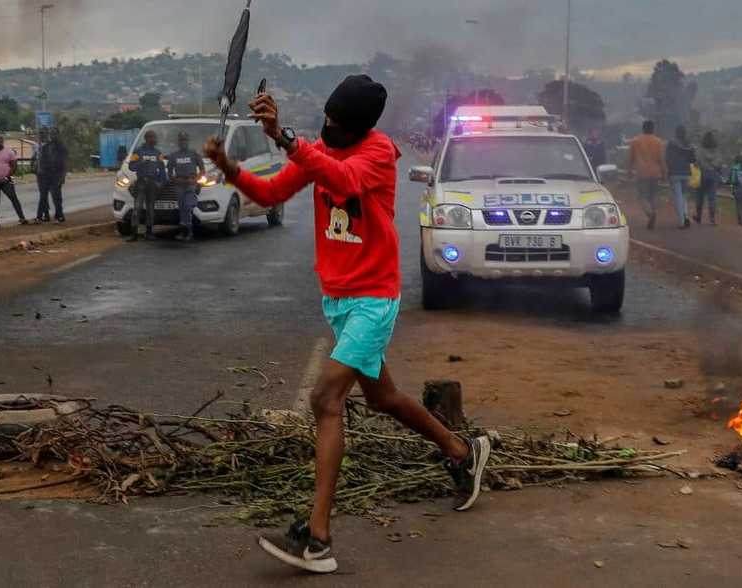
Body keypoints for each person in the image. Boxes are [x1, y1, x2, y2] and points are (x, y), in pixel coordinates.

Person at [203, 75, 491, 574]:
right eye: (326, 118)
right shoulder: (320, 150)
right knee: (383, 398)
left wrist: (285, 138)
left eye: (336, 122)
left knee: (325, 399)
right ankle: (462, 451)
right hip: (338, 300)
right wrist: (230, 168)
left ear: (358, 126)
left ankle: (317, 539)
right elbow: (270, 194)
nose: (328, 127)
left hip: (373, 300)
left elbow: (345, 181)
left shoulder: (377, 154)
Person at [126, 130, 166, 241]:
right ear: (147, 138)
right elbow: (131, 167)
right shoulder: (138, 151)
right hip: (141, 183)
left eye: (155, 137)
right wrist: (141, 163)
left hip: (152, 183)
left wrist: (161, 183)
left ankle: (149, 233)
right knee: (137, 208)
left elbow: (162, 170)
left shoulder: (158, 153)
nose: (154, 140)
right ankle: (134, 234)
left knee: (150, 209)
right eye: (152, 137)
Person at [166, 131, 205, 243]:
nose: (183, 142)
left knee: (188, 206)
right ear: (178, 142)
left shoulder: (193, 153)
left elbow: (202, 170)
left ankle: (188, 230)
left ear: (188, 141)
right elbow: (169, 172)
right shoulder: (174, 155)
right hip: (179, 184)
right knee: (182, 208)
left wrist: (195, 179)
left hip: (191, 183)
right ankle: (185, 231)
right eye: (181, 140)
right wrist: (175, 180)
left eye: (185, 140)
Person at [627, 120, 665, 230]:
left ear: (643, 128)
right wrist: (664, 173)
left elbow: (631, 158)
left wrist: (629, 171)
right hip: (655, 173)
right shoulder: (658, 142)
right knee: (651, 197)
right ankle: (652, 214)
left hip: (642, 173)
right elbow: (661, 159)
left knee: (642, 197)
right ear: (653, 129)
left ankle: (650, 213)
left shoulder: (635, 141)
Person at [35, 126, 69, 223]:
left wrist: (63, 176)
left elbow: (65, 162)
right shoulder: (45, 147)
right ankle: (39, 217)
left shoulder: (62, 147)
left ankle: (59, 216)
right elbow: (42, 160)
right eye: (51, 133)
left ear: (58, 134)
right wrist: (41, 170)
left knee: (56, 196)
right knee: (43, 196)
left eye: (54, 133)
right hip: (46, 175)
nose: (52, 135)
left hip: (57, 174)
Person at [665, 125, 696, 229]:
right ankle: (686, 215)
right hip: (686, 173)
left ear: (676, 133)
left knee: (678, 197)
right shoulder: (689, 144)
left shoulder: (671, 143)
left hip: (674, 173)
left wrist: (668, 169)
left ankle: (682, 221)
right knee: (683, 196)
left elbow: (667, 158)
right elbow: (693, 160)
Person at [694, 131, 723, 225]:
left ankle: (698, 216)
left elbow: (697, 163)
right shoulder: (717, 152)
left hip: (702, 174)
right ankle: (712, 219)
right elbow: (719, 165)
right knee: (712, 198)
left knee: (699, 196)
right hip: (713, 175)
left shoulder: (700, 151)